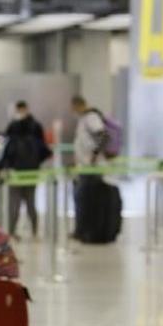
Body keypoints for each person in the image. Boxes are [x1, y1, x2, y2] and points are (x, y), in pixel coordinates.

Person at [1, 101, 52, 239]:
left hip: (15, 172)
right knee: (30, 203)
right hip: (32, 171)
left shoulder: (13, 126)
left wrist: (6, 166)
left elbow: (6, 149)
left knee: (14, 204)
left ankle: (11, 232)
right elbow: (44, 150)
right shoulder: (36, 126)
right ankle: (34, 232)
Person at [70, 95, 108, 240]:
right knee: (82, 199)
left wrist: (94, 156)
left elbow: (104, 136)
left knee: (85, 199)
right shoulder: (83, 119)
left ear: (78, 105)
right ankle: (82, 230)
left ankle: (86, 231)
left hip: (91, 168)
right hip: (83, 167)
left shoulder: (91, 117)